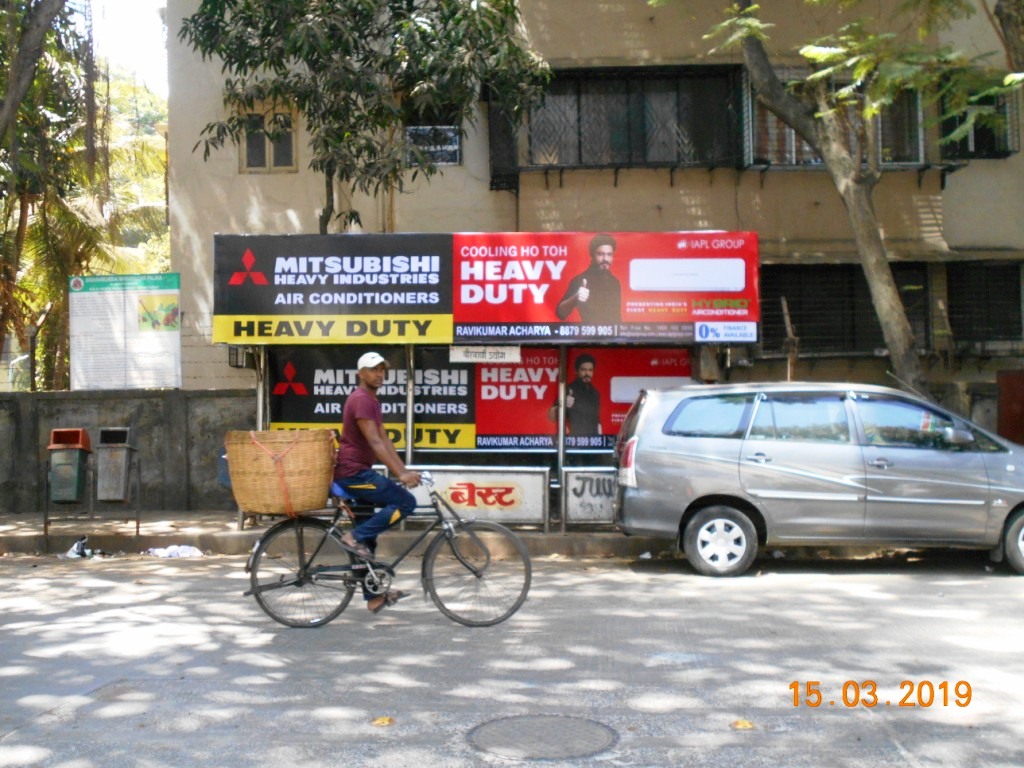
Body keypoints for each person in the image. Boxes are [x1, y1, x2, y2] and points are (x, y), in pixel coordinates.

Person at [334, 351, 421, 614]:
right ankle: (353, 537)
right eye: (373, 370)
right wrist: (401, 476)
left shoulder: (371, 400)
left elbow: (384, 440)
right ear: (361, 374)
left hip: (359, 472)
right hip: (353, 475)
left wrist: (403, 470)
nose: (379, 374)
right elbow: (373, 442)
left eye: (382, 370)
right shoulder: (361, 399)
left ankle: (374, 598)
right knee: (405, 501)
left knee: (368, 542)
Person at [555, 233, 622, 325]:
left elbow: (617, 317)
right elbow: (560, 313)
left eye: (609, 254)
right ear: (592, 255)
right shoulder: (580, 280)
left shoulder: (615, 282)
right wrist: (575, 298)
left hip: (613, 337)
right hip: (589, 337)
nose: (605, 259)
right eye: (600, 254)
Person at [548, 353, 602, 437]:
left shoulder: (595, 393)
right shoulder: (568, 390)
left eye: (590, 370)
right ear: (576, 371)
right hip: (574, 442)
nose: (587, 373)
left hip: (593, 441)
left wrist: (601, 440)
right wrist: (563, 404)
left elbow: (597, 421)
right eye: (583, 370)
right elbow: (552, 417)